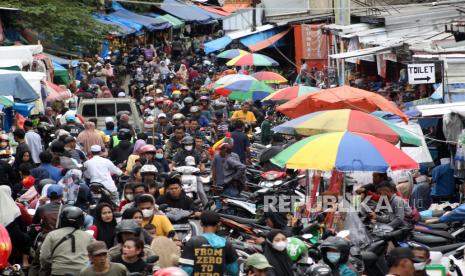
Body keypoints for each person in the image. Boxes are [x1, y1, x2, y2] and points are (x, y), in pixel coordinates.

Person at [180, 211, 238, 276]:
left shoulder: (192, 242)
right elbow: (233, 270)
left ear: (201, 223)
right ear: (219, 224)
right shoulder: (226, 243)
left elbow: (187, 269)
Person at [39, 206, 93, 276]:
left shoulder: (52, 235)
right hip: (81, 271)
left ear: (62, 219)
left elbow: (44, 257)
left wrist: (50, 266)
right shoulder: (88, 236)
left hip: (58, 271)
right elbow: (95, 255)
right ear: (81, 220)